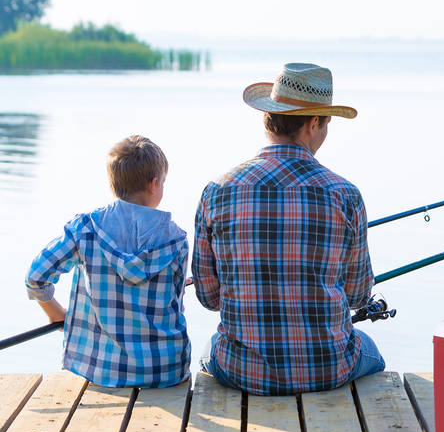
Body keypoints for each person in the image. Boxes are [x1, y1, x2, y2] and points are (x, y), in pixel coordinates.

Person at [193, 62, 385, 395]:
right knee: (372, 353)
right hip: (328, 369)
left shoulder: (217, 190)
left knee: (210, 349)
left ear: (269, 117)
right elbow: (357, 296)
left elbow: (209, 298)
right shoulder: (345, 195)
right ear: (314, 123)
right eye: (327, 124)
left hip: (241, 371)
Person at [25, 135, 190, 388]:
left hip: (100, 370)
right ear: (154, 184)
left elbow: (36, 277)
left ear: (113, 185)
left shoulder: (84, 230)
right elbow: (175, 306)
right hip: (164, 371)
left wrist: (55, 312)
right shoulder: (176, 239)